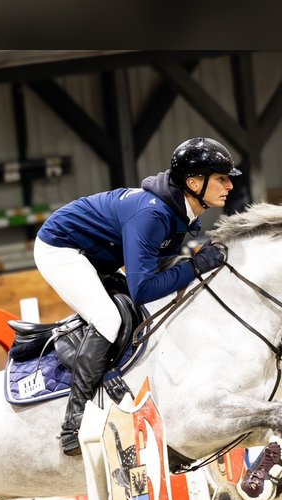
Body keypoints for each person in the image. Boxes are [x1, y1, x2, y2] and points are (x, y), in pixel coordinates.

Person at [33, 137, 240, 455]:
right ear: (194, 182)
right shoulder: (153, 215)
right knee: (108, 318)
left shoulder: (180, 211)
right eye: (221, 178)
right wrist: (195, 266)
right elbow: (142, 288)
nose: (229, 185)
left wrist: (192, 266)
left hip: (96, 256)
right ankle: (73, 425)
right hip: (61, 249)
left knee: (130, 311)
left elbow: (155, 276)